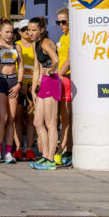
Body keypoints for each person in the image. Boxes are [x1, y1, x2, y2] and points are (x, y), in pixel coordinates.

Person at [0, 19, 24, 164]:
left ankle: (8, 152)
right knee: (3, 117)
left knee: (12, 118)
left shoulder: (17, 47)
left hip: (13, 81)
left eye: (11, 32)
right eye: (7, 32)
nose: (9, 35)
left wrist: (19, 84)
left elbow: (20, 66)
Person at [29, 16, 61, 170]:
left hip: (52, 82)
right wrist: (33, 88)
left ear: (42, 30)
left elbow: (56, 59)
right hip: (44, 84)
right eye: (29, 30)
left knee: (50, 122)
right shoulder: (36, 44)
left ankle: (50, 159)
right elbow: (36, 68)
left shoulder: (46, 42)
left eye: (34, 30)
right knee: (37, 122)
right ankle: (45, 156)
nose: (30, 33)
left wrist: (52, 72)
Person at [14, 19, 37, 162]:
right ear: (19, 32)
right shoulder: (15, 46)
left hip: (32, 86)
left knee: (30, 119)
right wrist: (19, 83)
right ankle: (18, 148)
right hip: (18, 85)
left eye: (28, 29)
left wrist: (33, 86)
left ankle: (28, 149)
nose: (27, 32)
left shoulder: (36, 45)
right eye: (23, 30)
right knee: (17, 118)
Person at [55, 8, 72, 166]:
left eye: (64, 22)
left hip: (67, 77)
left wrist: (57, 75)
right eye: (58, 22)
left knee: (66, 118)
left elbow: (69, 59)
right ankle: (66, 149)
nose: (61, 25)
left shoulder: (72, 36)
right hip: (61, 77)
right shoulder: (63, 36)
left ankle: (66, 151)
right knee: (63, 118)